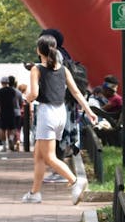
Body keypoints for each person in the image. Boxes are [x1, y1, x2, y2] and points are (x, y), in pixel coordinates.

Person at [21, 33, 97, 205]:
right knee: (39, 156)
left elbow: (34, 94)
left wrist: (25, 98)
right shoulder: (64, 69)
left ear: (39, 50)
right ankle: (35, 193)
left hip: (47, 114)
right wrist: (89, 111)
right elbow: (77, 92)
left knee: (48, 157)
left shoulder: (36, 69)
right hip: (60, 113)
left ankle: (75, 181)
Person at [0, 75, 22, 151]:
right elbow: (14, 101)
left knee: (2, 129)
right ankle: (10, 138)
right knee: (12, 128)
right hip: (11, 112)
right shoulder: (12, 91)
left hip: (3, 112)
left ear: (1, 83)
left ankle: (4, 146)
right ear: (8, 82)